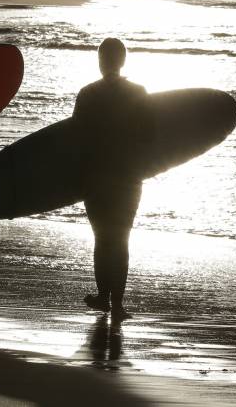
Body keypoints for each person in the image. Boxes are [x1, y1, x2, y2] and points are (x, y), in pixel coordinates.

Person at [72, 38, 153, 320]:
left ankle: (104, 297)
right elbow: (149, 137)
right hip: (129, 178)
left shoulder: (87, 94)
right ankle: (116, 303)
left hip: (95, 177)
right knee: (120, 239)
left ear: (100, 61)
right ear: (122, 61)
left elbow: (76, 139)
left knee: (102, 239)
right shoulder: (139, 92)